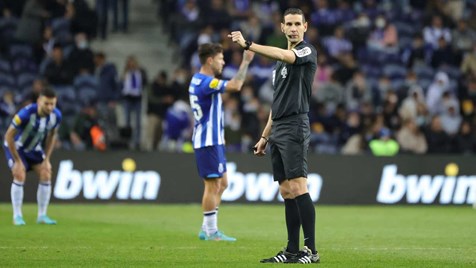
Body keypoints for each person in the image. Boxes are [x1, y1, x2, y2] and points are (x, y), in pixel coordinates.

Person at [229, 7, 320, 264]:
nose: (292, 28)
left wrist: (248, 44)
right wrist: (265, 136)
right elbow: (276, 104)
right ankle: (292, 251)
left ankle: (311, 251)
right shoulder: (279, 64)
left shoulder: (306, 51)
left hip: (295, 125)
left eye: (296, 24)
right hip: (278, 127)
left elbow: (284, 53)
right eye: (288, 24)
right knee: (286, 191)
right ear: (281, 27)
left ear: (305, 27)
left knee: (299, 186)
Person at [189, 43, 254, 241]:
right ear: (210, 60)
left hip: (214, 140)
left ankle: (206, 228)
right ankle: (210, 232)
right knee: (212, 185)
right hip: (207, 141)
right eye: (220, 59)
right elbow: (236, 85)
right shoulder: (205, 82)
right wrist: (245, 62)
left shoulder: (199, 80)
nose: (223, 62)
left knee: (222, 183)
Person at [3, 87, 62, 225]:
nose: (49, 107)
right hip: (16, 147)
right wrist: (17, 160)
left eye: (52, 104)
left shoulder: (56, 116)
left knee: (46, 172)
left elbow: (52, 136)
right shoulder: (25, 114)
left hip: (34, 149)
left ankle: (42, 216)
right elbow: (8, 135)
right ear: (39, 101)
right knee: (19, 174)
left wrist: (47, 159)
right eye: (46, 103)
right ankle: (17, 216)